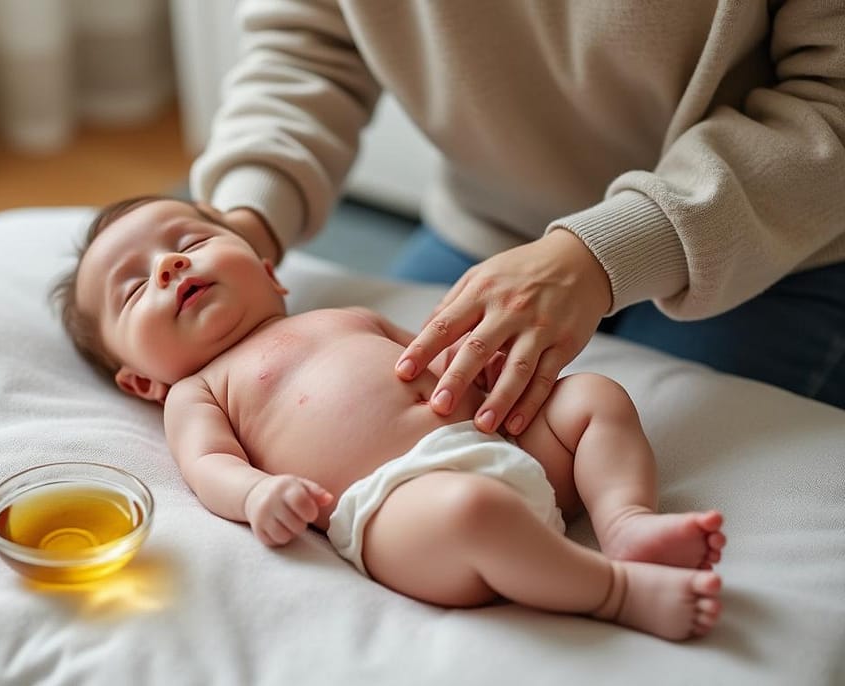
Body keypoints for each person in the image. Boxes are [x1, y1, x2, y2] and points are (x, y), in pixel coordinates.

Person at [53, 195, 727, 641]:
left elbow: (436, 350)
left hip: (502, 436)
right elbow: (208, 466)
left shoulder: (343, 315)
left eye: (190, 241)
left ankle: (626, 522)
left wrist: (484, 367)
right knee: (474, 512)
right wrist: (259, 492)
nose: (171, 265)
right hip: (403, 507)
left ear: (270, 270)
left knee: (594, 399)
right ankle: (614, 592)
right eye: (137, 287)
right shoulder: (196, 389)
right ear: (140, 379)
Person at [189, 1, 845, 437]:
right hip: (495, 227)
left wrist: (600, 255)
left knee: (624, 477)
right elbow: (308, 44)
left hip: (769, 244)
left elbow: (831, 100)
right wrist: (248, 215)